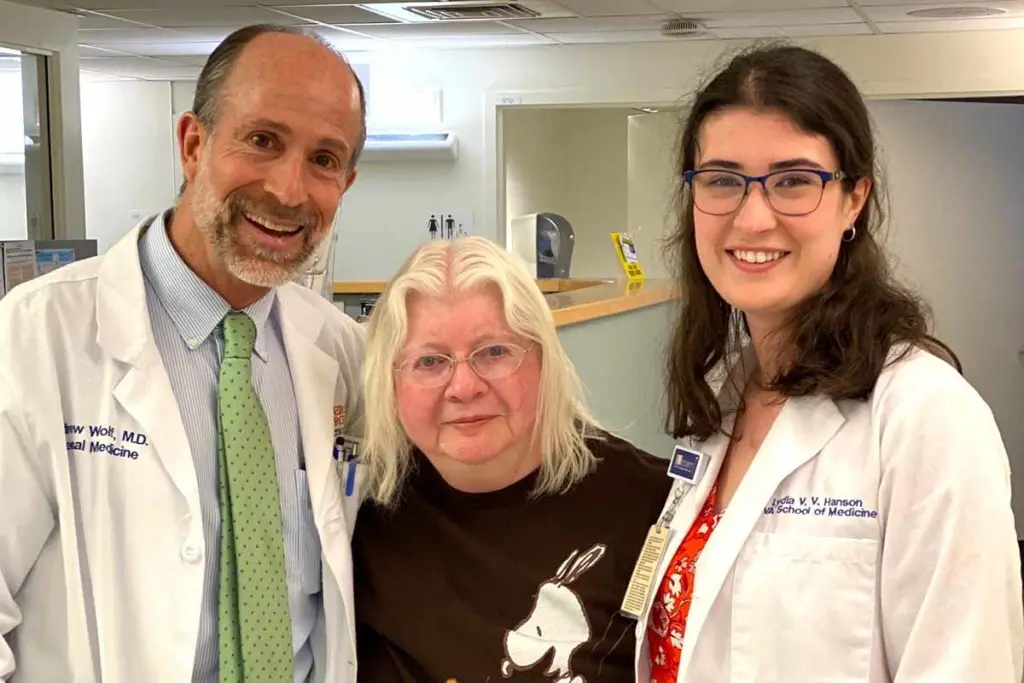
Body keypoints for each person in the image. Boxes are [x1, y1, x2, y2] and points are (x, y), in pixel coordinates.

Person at [635, 44, 1024, 682]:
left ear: (854, 200)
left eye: (793, 180)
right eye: (723, 180)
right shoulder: (722, 396)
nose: (751, 217)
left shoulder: (926, 417)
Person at [0, 24, 369, 682]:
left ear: (347, 181)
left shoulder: (338, 349)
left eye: (323, 159)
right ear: (193, 144)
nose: (287, 190)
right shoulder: (33, 338)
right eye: (262, 140)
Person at [350, 236, 673, 682]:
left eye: (494, 352)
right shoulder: (362, 518)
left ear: (544, 359)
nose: (464, 386)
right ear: (390, 381)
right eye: (429, 361)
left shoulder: (654, 509)